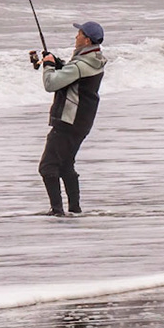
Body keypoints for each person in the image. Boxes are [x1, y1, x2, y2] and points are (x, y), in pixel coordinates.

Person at [34, 21, 106, 216]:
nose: (76, 37)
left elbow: (51, 84)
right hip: (81, 122)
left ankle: (57, 210)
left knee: (47, 166)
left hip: (69, 121)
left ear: (87, 40)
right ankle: (74, 209)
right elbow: (74, 76)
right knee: (65, 165)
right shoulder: (94, 60)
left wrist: (49, 66)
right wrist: (59, 64)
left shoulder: (81, 65)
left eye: (79, 34)